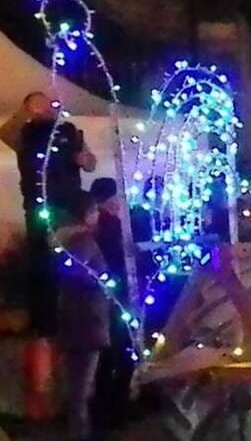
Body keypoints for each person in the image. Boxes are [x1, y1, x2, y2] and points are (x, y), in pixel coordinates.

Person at [15, 91, 95, 419]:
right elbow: (5, 133)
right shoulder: (26, 132)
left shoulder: (69, 131)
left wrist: (83, 158)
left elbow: (89, 162)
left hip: (71, 215)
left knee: (75, 300)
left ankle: (72, 395)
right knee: (46, 307)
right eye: (41, 103)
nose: (49, 106)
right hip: (42, 218)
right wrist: (26, 111)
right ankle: (43, 394)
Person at [53, 192, 111, 440]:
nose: (98, 215)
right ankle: (80, 434)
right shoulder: (84, 241)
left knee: (78, 385)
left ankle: (80, 430)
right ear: (86, 213)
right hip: (88, 321)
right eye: (95, 210)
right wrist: (101, 282)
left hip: (74, 318)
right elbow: (78, 273)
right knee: (81, 388)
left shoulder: (64, 240)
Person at [89, 177, 134, 430]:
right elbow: (123, 258)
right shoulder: (113, 228)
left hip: (102, 300)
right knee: (122, 354)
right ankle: (115, 413)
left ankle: (105, 411)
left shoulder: (93, 227)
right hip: (119, 298)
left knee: (108, 357)